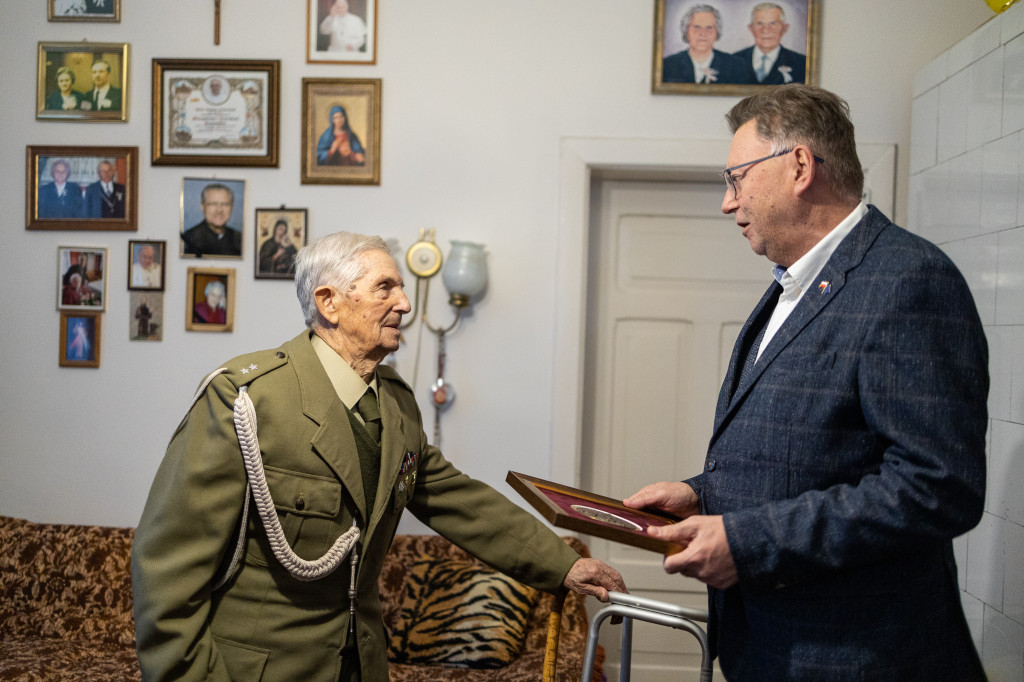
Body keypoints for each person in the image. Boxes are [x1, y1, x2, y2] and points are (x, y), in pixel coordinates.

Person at [132, 232, 626, 681]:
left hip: (362, 665)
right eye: (385, 288)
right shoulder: (247, 399)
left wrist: (563, 564)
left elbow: (458, 500)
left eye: (402, 289)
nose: (405, 304)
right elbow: (167, 571)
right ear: (329, 302)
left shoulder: (394, 401)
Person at [624, 85, 988, 680]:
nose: (727, 201)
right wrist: (703, 493)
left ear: (798, 166)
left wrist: (748, 541)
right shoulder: (795, 285)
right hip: (771, 649)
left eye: (737, 177)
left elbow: (936, 487)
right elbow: (815, 451)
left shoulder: (908, 280)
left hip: (858, 658)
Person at [662, 4, 745, 84]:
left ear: (716, 33)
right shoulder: (668, 65)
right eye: (696, 27)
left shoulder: (736, 65)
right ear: (686, 31)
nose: (703, 33)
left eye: (709, 27)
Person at [732, 2, 807, 85]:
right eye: (760, 23)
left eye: (773, 23)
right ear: (751, 28)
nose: (766, 30)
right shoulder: (733, 61)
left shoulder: (802, 63)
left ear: (785, 28)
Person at [181, 184, 243, 257]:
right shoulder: (188, 239)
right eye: (213, 204)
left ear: (231, 207)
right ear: (202, 206)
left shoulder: (240, 238)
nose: (219, 210)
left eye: (225, 204)